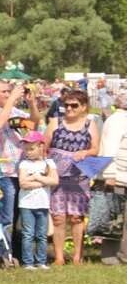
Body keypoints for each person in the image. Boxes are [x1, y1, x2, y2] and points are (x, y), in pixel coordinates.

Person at [0, 78, 41, 253]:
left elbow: (34, 124)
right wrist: (13, 99)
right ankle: (3, 254)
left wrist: (32, 104)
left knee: (23, 216)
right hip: (4, 173)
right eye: (4, 92)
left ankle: (22, 253)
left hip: (22, 171)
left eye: (9, 91)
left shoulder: (14, 111)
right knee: (6, 217)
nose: (8, 94)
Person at [44, 89, 99, 265]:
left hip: (79, 178)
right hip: (57, 178)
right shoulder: (55, 122)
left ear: (84, 107)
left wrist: (85, 152)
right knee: (58, 217)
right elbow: (44, 147)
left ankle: (77, 256)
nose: (69, 108)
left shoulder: (90, 124)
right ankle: (59, 257)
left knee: (77, 218)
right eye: (66, 105)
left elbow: (96, 149)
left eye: (74, 105)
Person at [17, 131, 58, 269]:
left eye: (31, 149)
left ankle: (41, 261)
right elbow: (23, 183)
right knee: (28, 234)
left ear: (41, 147)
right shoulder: (24, 164)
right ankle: (28, 262)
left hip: (42, 203)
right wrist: (42, 182)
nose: (28, 152)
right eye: (26, 149)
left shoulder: (49, 163)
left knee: (42, 234)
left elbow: (54, 180)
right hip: (27, 204)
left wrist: (36, 177)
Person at [95, 91, 127, 265]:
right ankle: (111, 257)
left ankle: (123, 254)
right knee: (114, 220)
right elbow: (109, 149)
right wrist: (110, 175)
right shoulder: (117, 121)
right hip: (117, 175)